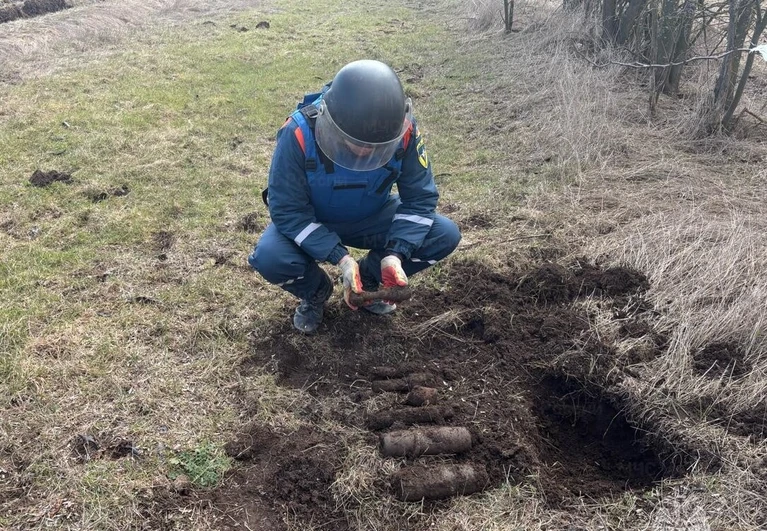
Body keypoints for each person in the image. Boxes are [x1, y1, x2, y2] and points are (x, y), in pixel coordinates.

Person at [248, 59, 460, 333]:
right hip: (312, 219)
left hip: (372, 217)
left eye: (376, 148)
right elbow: (288, 210)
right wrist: (341, 258)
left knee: (443, 234)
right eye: (356, 144)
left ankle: (369, 278)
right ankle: (315, 292)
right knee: (270, 256)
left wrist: (395, 253)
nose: (366, 153)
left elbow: (420, 199)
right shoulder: (298, 133)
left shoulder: (404, 131)